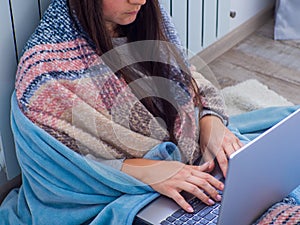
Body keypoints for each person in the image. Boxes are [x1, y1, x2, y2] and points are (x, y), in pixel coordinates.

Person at [1, 0, 299, 224]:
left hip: (195, 172)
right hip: (132, 196)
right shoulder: (46, 74)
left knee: (269, 190)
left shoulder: (144, 20)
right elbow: (64, 172)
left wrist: (210, 120)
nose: (140, 0)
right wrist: (148, 172)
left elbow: (190, 77)